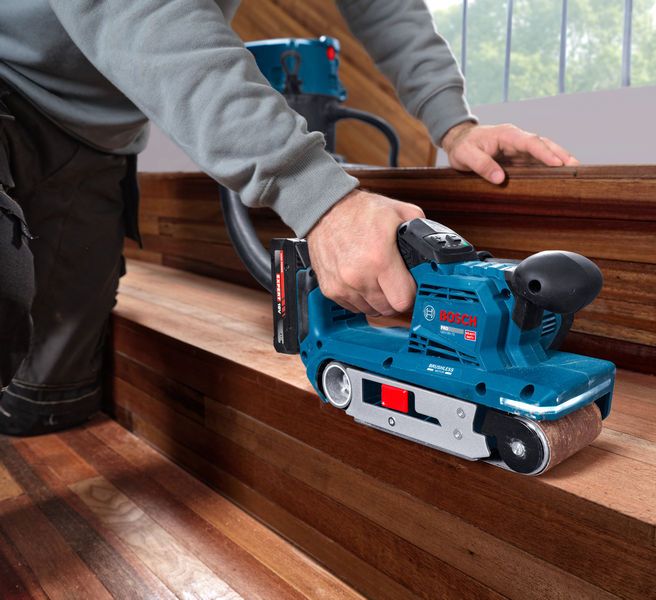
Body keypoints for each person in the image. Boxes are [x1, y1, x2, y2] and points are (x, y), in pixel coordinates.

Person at [0, 0, 578, 436]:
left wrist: (453, 122)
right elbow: (144, 11)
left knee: (49, 404)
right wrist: (318, 195)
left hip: (96, 136)